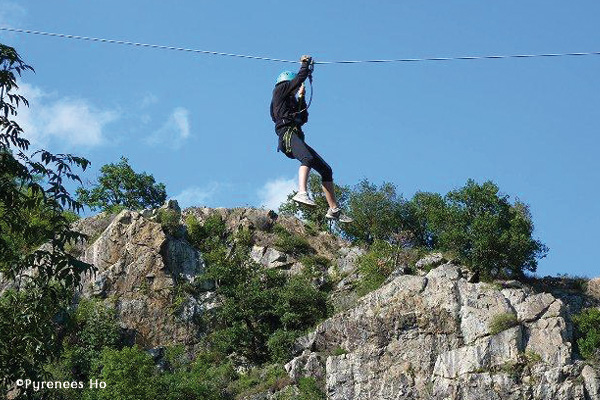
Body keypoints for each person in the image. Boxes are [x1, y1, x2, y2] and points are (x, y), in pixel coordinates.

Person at [270, 55, 352, 223]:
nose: (297, 87)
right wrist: (305, 65)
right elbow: (299, 78)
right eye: (295, 86)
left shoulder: (289, 102)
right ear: (287, 84)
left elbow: (303, 118)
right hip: (287, 135)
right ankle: (301, 192)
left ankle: (334, 209)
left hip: (295, 135)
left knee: (326, 170)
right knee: (306, 158)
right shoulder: (279, 91)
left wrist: (301, 97)